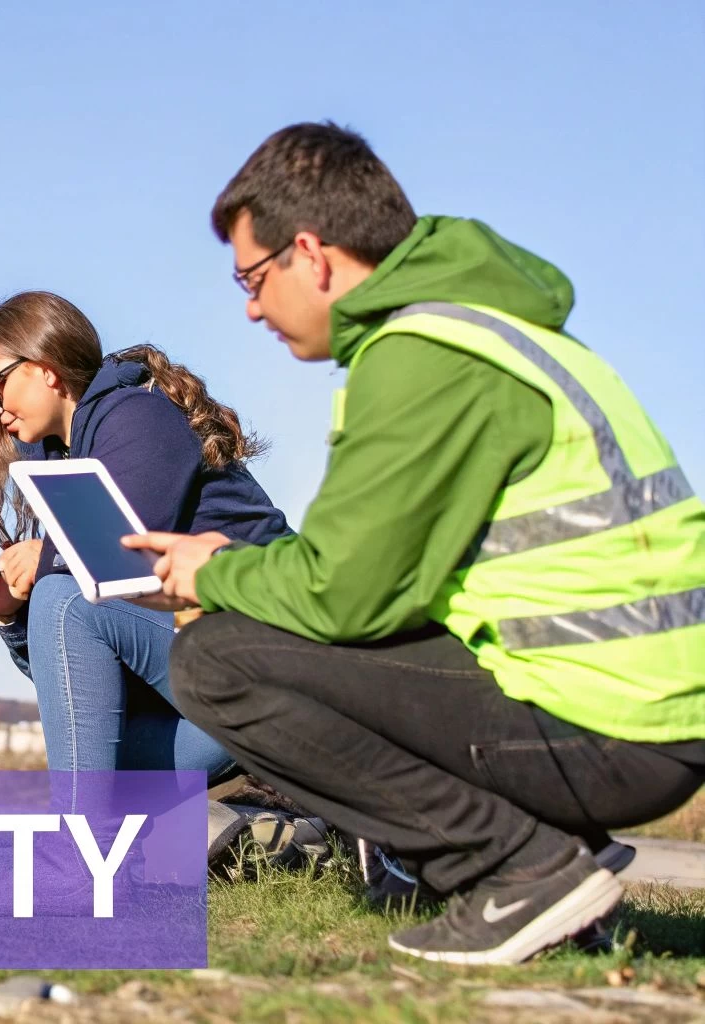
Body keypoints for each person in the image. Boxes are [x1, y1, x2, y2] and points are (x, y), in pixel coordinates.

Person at [125, 122, 705, 964]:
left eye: (252, 277)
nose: (250, 306)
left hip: (612, 723)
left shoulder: (422, 356)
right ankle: (560, 870)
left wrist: (213, 570)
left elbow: (341, 594)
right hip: (643, 704)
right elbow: (393, 589)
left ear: (312, 256)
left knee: (219, 658)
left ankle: (519, 868)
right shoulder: (488, 332)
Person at [0, 290, 290, 783]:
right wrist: (11, 615)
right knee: (93, 741)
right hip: (201, 701)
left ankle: (81, 853)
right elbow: (74, 679)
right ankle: (113, 844)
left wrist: (47, 564)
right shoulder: (58, 457)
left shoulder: (136, 415)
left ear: (45, 365)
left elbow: (120, 568)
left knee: (62, 598)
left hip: (270, 674)